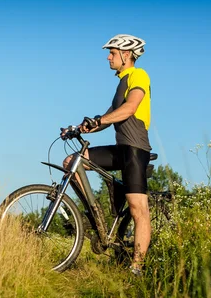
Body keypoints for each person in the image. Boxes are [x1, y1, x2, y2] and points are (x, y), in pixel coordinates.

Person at [62, 34, 152, 275]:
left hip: (135, 149)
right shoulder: (121, 83)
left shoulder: (138, 76)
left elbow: (130, 108)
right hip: (119, 148)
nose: (108, 57)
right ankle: (97, 217)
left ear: (126, 55)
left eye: (112, 53)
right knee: (72, 162)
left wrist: (101, 120)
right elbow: (107, 116)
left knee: (137, 208)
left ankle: (137, 267)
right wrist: (80, 128)